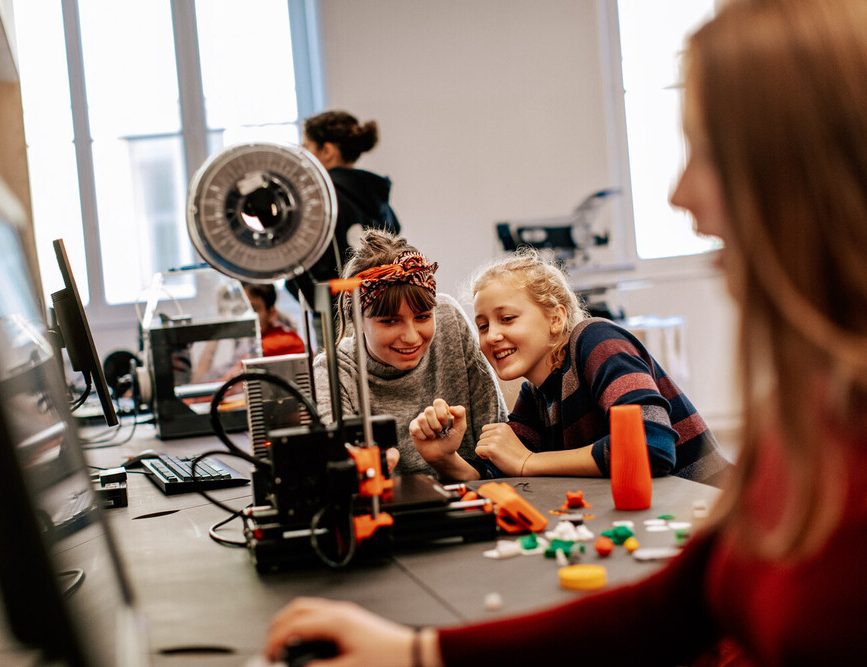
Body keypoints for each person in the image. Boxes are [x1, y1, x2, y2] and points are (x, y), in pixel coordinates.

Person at [263, 0, 867, 663]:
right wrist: (419, 649)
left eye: (707, 151)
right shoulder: (806, 412)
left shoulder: (599, 344)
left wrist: (519, 466)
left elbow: (647, 457)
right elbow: (671, 606)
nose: (676, 193)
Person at [466, 248, 730, 486]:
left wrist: (528, 462)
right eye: (483, 326)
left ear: (556, 319)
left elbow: (649, 446)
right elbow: (499, 468)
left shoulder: (595, 339)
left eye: (507, 318)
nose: (491, 336)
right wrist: (445, 457)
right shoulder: (535, 395)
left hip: (715, 508)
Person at [315, 229, 507, 480]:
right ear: (357, 320)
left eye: (423, 317)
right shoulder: (333, 371)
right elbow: (340, 476)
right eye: (390, 321)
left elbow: (498, 442)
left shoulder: (449, 319)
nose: (412, 337)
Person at [285, 111, 401, 334]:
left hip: (336, 318)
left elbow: (300, 262)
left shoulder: (322, 200)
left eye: (307, 147)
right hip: (384, 313)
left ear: (327, 151)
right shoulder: (377, 195)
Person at [241, 282, 306, 357]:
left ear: (272, 313)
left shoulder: (276, 345)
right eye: (239, 309)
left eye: (254, 309)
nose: (245, 316)